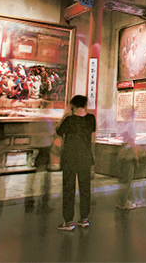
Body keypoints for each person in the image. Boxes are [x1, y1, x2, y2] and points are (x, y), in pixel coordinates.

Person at [56, 95, 96, 230]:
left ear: (73, 105)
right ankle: (84, 218)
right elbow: (92, 136)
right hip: (85, 158)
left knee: (68, 189)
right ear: (84, 105)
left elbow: (59, 131)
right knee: (85, 189)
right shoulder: (91, 118)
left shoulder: (69, 120)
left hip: (70, 158)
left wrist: (65, 115)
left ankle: (68, 221)